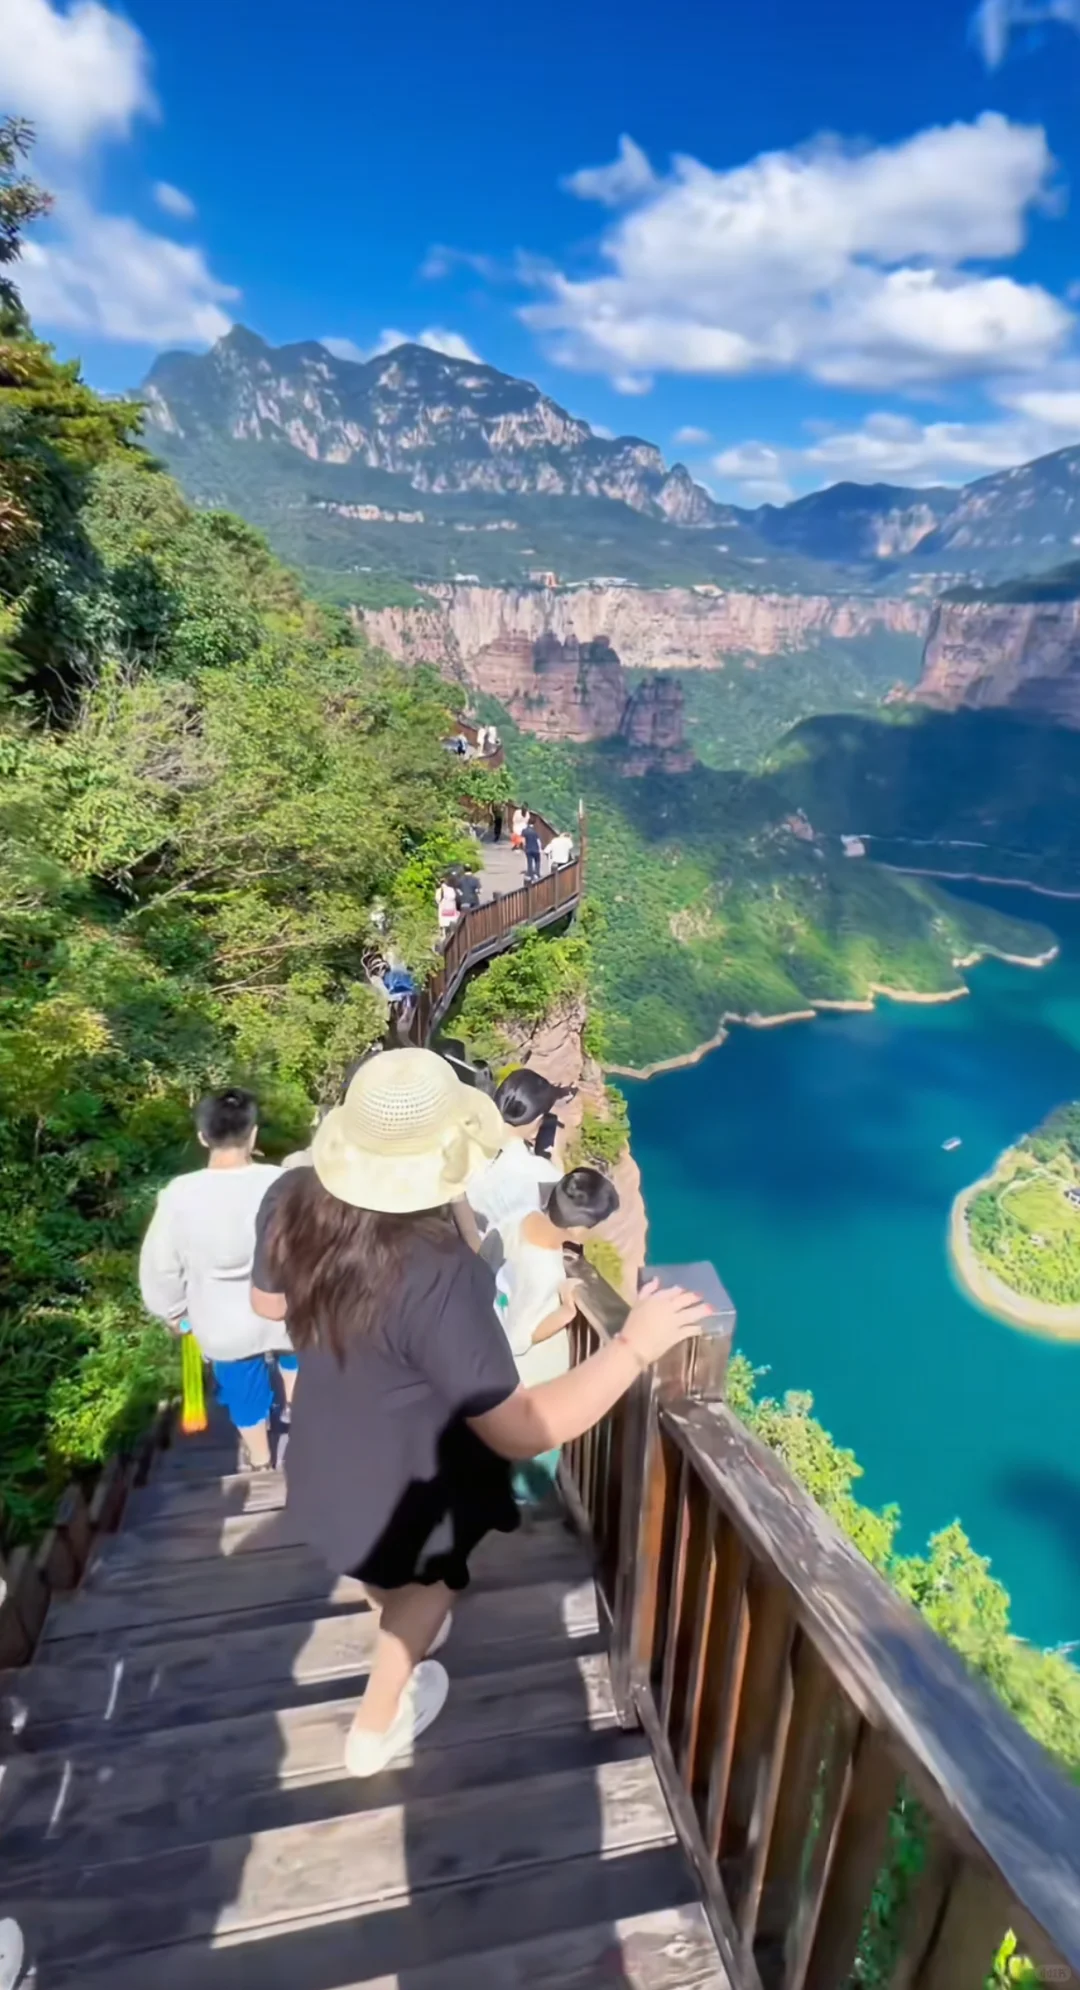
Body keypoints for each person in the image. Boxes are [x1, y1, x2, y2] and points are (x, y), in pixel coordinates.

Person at [249, 1048, 709, 1777]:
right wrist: (633, 1347)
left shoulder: (294, 1197)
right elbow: (520, 1426)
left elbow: (268, 1306)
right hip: (397, 1486)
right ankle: (375, 1726)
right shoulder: (438, 1272)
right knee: (432, 1584)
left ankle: (392, 1620)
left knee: (385, 1578)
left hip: (316, 1456)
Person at [139, 1089, 296, 1469]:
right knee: (295, 1359)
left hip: (221, 1320)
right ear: (253, 1135)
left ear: (202, 1137)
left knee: (242, 1388)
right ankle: (298, 1418)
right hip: (285, 1308)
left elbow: (160, 1267)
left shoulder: (180, 1195)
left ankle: (260, 1459)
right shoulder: (282, 1182)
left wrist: (175, 1313)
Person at [495, 1168, 620, 1503]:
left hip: (500, 1355)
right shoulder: (543, 1272)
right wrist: (565, 1311)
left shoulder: (520, 1218)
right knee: (535, 1455)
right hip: (534, 1379)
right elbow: (518, 1337)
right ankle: (524, 1509)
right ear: (578, 1230)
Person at [464, 1067, 566, 1244]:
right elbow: (565, 1202)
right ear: (537, 1120)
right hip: (497, 1255)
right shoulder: (538, 1171)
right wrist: (557, 1155)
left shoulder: (467, 1134)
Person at [523, 818, 543, 882]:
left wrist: (524, 847)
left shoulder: (524, 830)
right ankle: (537, 873)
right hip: (536, 849)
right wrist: (540, 848)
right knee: (537, 861)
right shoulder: (535, 831)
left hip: (528, 849)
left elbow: (523, 840)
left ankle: (530, 874)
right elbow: (538, 841)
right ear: (534, 823)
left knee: (529, 862)